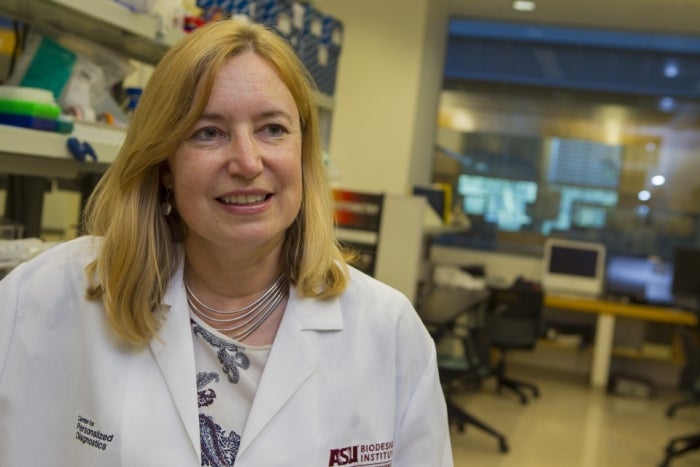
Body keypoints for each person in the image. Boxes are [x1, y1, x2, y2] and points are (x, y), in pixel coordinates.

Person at [0, 19, 452, 466]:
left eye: (272, 129)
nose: (247, 161)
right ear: (164, 165)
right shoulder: (46, 296)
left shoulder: (388, 332)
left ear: (302, 150)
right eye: (208, 132)